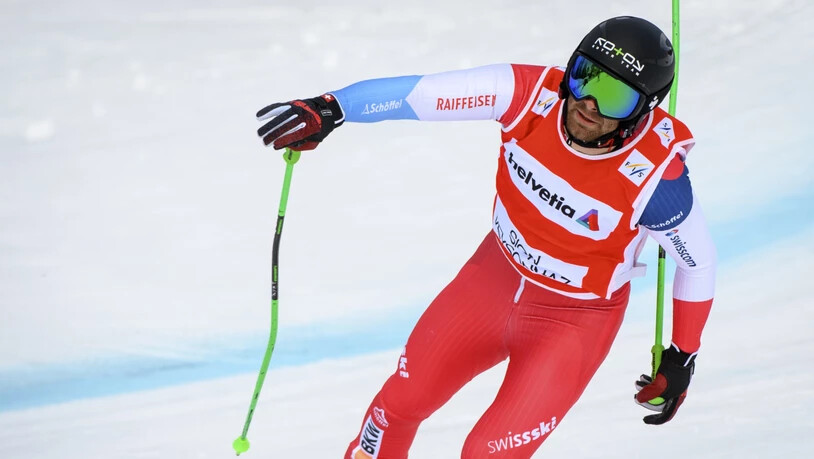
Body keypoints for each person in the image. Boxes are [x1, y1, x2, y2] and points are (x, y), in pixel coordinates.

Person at [255, 16, 716, 459]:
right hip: (491, 281)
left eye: (614, 98)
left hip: (573, 321)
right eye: (585, 77)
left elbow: (696, 263)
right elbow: (424, 94)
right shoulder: (527, 94)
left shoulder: (658, 181)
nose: (588, 104)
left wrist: (681, 358)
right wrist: (332, 108)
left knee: (485, 454)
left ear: (642, 111)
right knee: (394, 410)